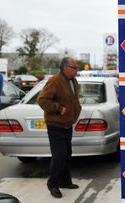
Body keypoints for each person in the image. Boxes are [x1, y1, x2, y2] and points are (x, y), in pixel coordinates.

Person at [37, 57, 82, 198]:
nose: (76, 70)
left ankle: (65, 181)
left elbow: (74, 100)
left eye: (76, 68)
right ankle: (53, 184)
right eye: (74, 68)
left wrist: (77, 110)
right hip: (55, 124)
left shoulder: (73, 81)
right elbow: (42, 100)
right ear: (65, 68)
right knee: (59, 155)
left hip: (68, 124)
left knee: (67, 153)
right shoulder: (55, 81)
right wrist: (57, 108)